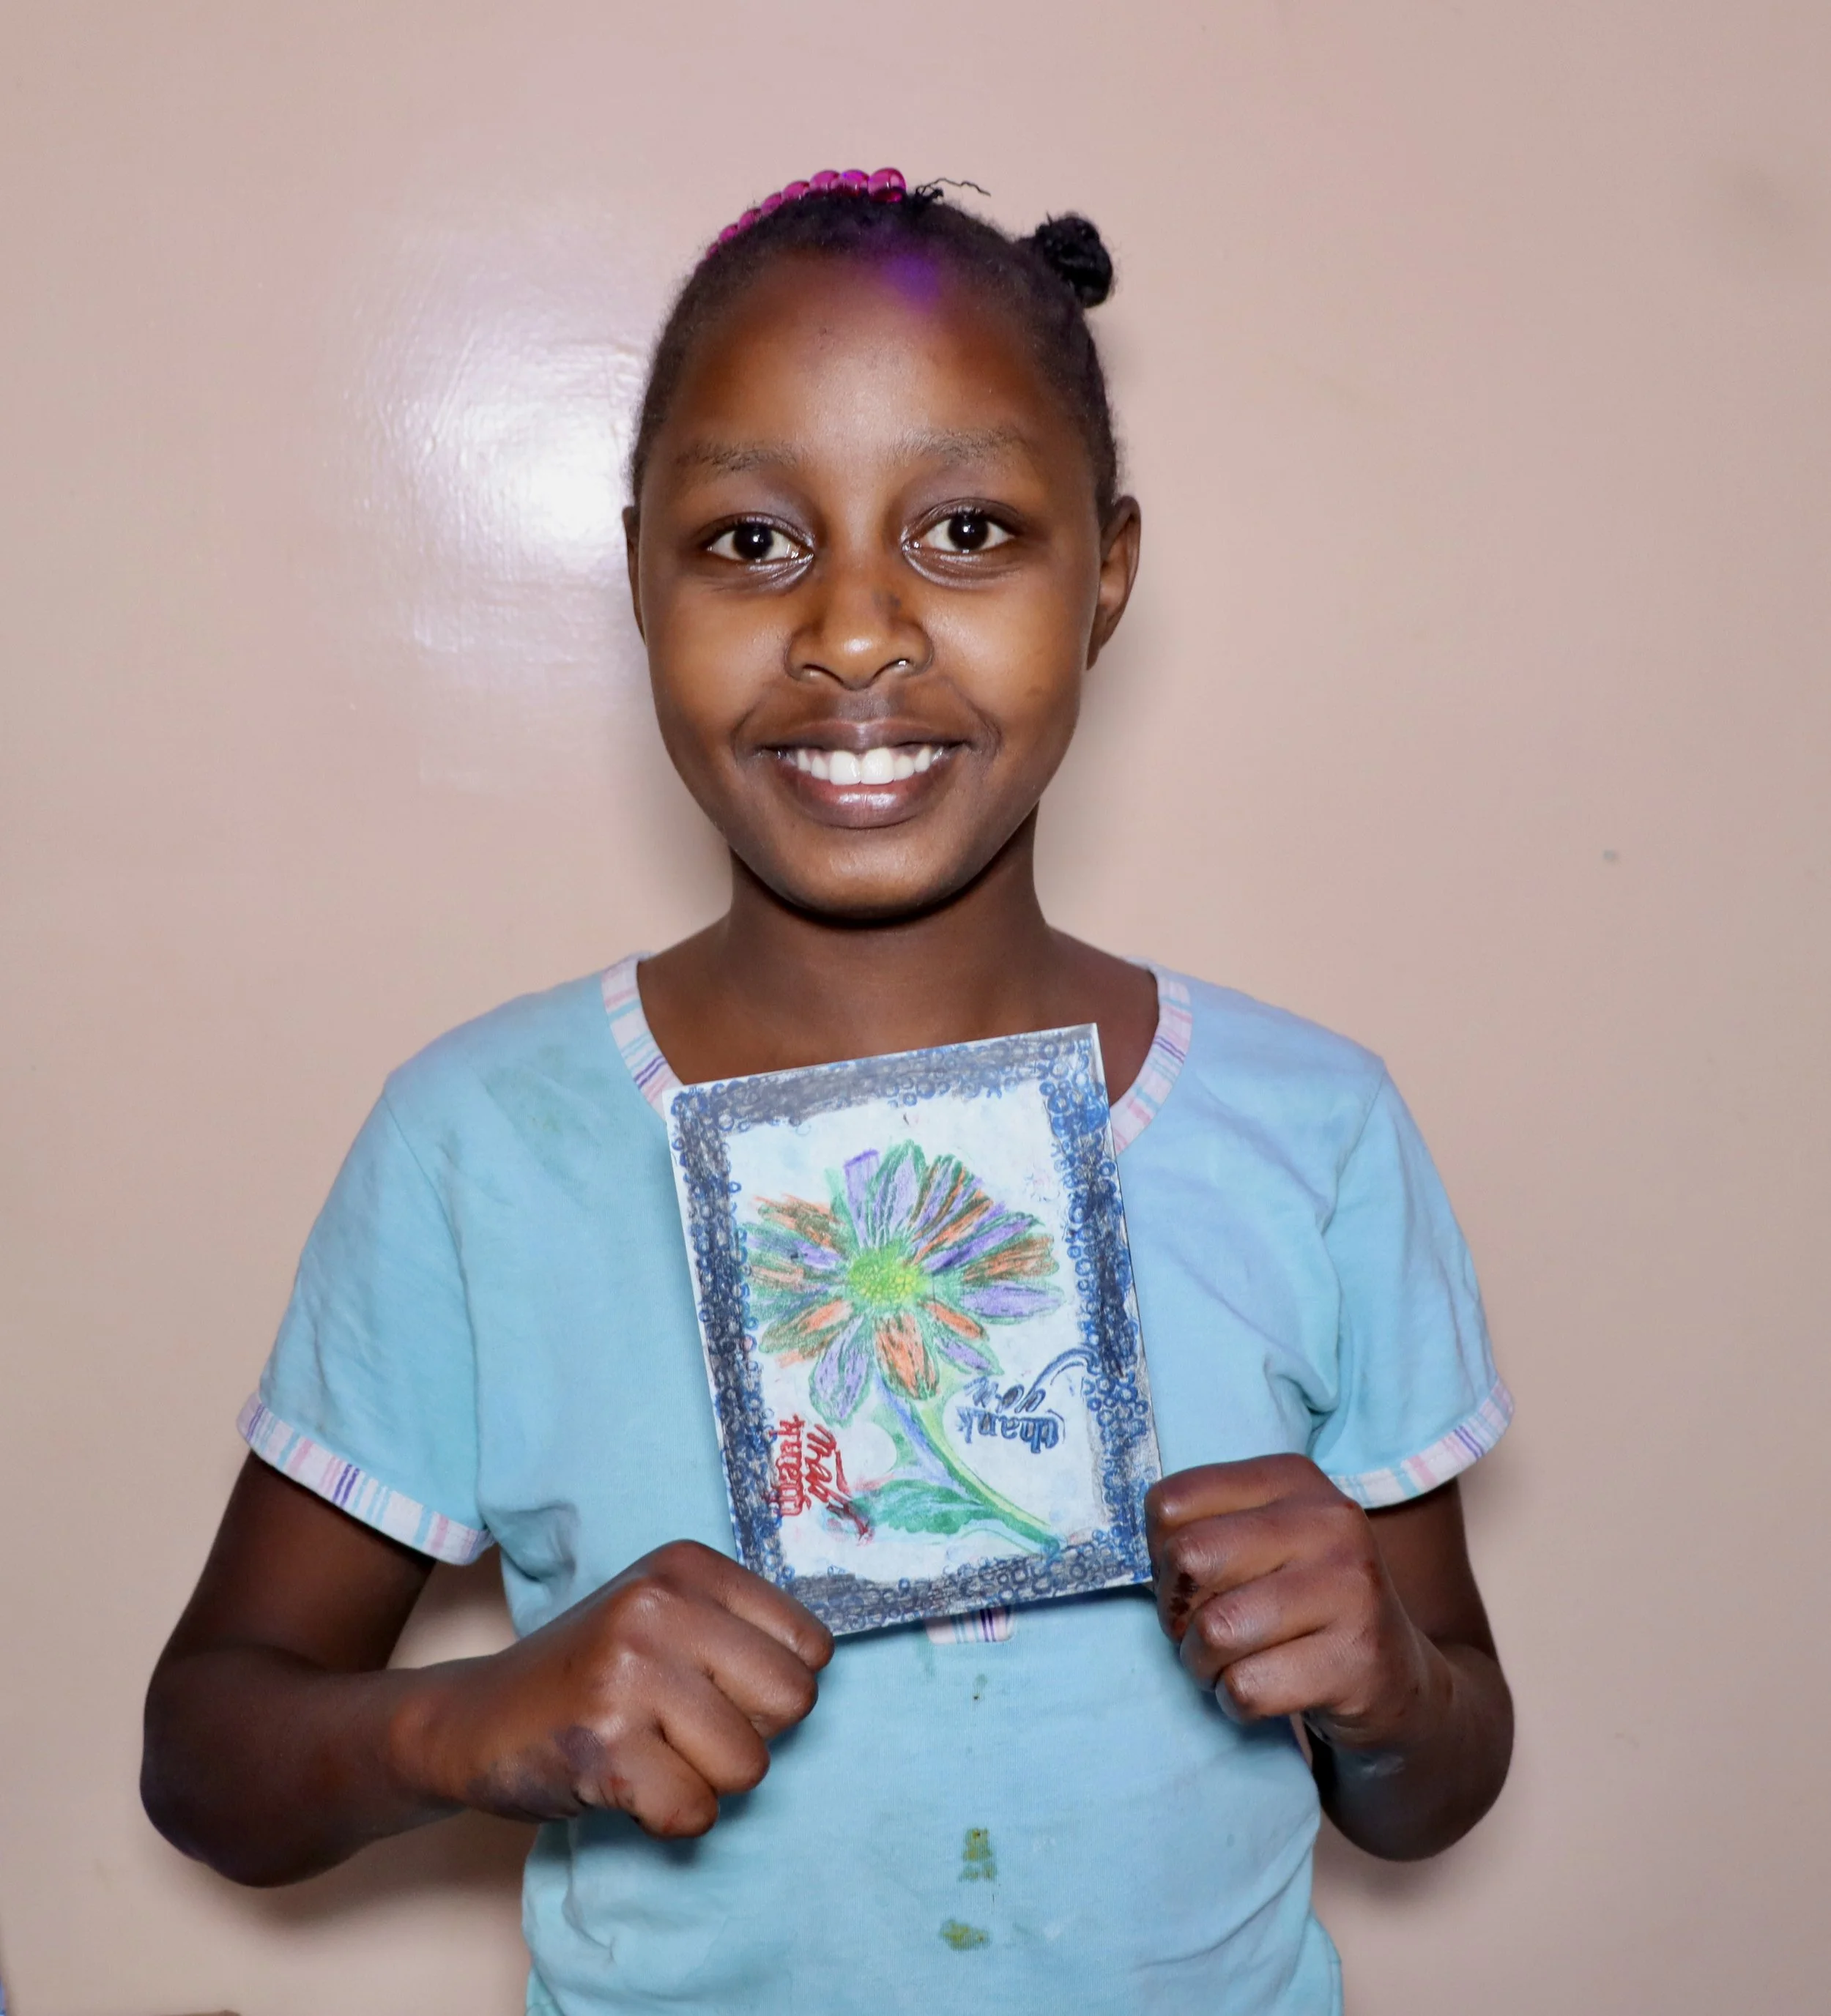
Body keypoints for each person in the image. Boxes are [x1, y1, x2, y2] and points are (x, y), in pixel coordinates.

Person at [142, 169, 1513, 2015]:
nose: (856, 633)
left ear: (1103, 572)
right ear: (638, 572)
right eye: (751, 543)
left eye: (964, 527)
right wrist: (473, 1721)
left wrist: (1389, 1681)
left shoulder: (1313, 1126)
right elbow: (209, 1752)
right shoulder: (481, 1143)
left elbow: (1434, 1782)